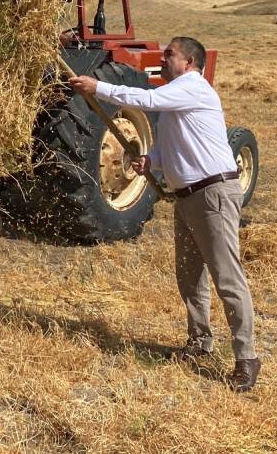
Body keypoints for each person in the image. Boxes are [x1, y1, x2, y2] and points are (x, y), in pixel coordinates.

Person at [68, 37, 260, 392]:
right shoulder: (179, 97)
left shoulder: (192, 88)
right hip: (187, 198)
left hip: (213, 195)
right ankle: (199, 342)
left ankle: (246, 358)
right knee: (189, 276)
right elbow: (177, 148)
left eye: (169, 54)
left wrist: (98, 86)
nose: (163, 58)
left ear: (189, 62)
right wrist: (151, 162)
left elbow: (147, 99)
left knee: (227, 278)